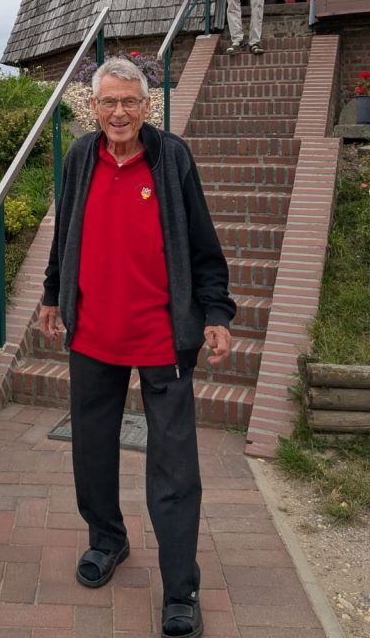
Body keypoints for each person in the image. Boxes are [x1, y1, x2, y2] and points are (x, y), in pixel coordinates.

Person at [39, 58, 235, 638]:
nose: (118, 113)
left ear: (147, 105)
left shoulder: (171, 158)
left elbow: (203, 242)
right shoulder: (80, 157)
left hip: (161, 338)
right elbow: (65, 231)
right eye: (108, 103)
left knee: (174, 468)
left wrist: (216, 312)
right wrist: (53, 294)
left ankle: (181, 589)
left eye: (129, 102)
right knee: (91, 449)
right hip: (93, 334)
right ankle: (107, 539)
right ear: (92, 107)